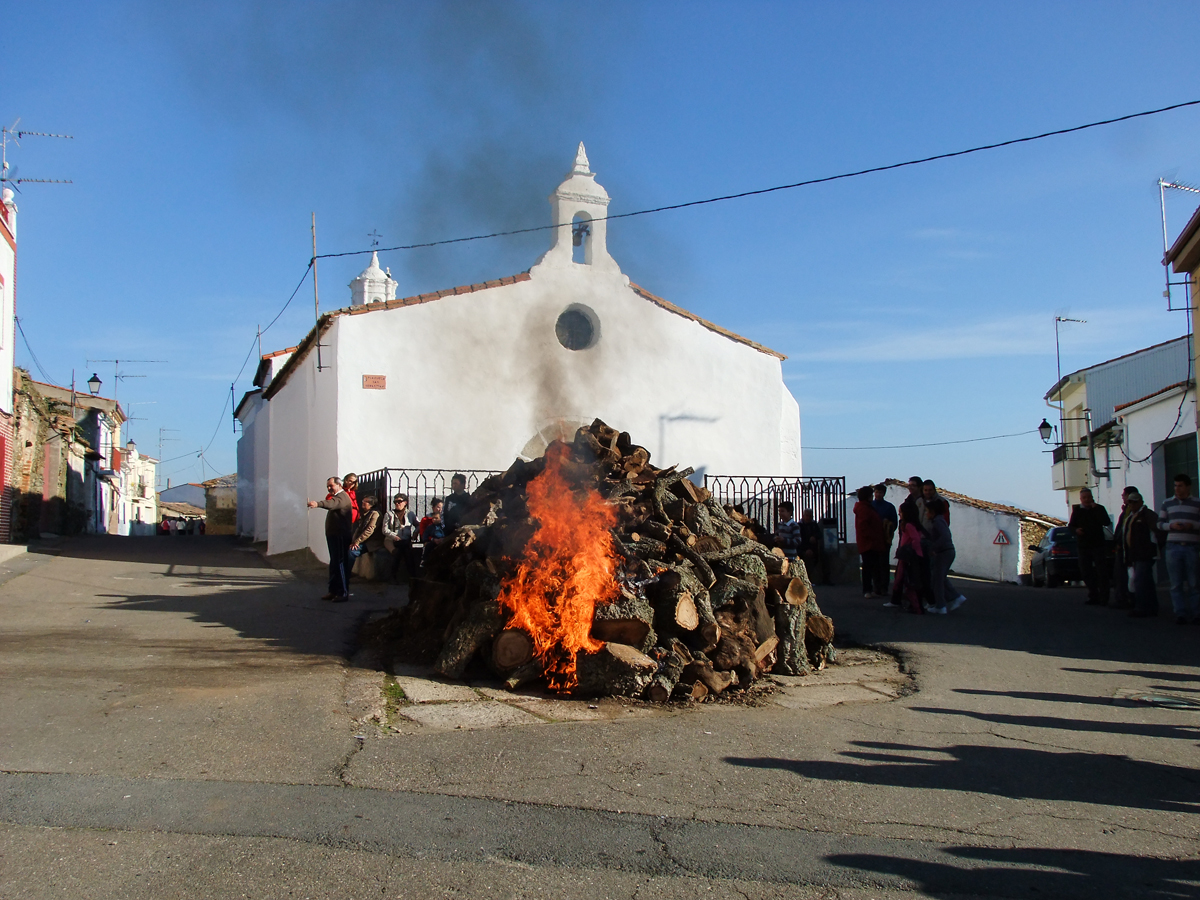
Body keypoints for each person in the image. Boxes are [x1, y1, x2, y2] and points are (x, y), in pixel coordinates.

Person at [1158, 473, 1200, 624]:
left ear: (1188, 487)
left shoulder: (1197, 503)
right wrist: (1171, 526)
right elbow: (1159, 523)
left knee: (1194, 582)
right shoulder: (1167, 503)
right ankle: (1180, 613)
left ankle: (1196, 613)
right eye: (1175, 486)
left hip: (1191, 546)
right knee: (1175, 583)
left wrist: (1192, 526)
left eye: (1180, 486)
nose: (1177, 489)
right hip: (1173, 546)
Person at [307, 476, 354, 602]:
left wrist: (317, 504)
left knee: (340, 563)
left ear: (339, 485)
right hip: (334, 535)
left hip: (340, 535)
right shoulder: (338, 497)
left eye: (331, 486)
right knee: (334, 563)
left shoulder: (342, 497)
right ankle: (333, 591)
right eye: (327, 486)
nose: (329, 488)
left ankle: (343, 592)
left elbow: (331, 504)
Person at [1069, 487, 1112, 605]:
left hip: (1098, 544)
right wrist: (1076, 530)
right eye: (1084, 498)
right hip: (1083, 545)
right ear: (1081, 499)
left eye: (1088, 497)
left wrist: (1096, 509)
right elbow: (1071, 526)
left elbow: (1106, 522)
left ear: (1092, 498)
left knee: (1101, 571)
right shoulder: (1077, 511)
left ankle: (1104, 597)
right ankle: (1093, 595)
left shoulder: (1099, 509)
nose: (1087, 500)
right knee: (1086, 571)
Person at [1123, 492, 1160, 618]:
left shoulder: (1148, 515)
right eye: (1130, 502)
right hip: (1135, 554)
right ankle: (1151, 607)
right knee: (1146, 581)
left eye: (1134, 502)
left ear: (1141, 502)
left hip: (1145, 553)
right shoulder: (1130, 517)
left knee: (1140, 580)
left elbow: (1158, 531)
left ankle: (1142, 607)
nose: (1132, 504)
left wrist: (1154, 548)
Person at [886, 502, 926, 613]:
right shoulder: (914, 525)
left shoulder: (908, 525)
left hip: (909, 557)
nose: (899, 513)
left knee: (906, 581)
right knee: (910, 581)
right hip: (911, 556)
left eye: (901, 512)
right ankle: (913, 605)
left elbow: (916, 540)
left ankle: (915, 606)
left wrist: (910, 552)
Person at [924, 498, 962, 614]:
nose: (926, 514)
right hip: (946, 551)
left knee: (937, 580)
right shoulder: (939, 521)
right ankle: (955, 597)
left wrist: (933, 547)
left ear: (933, 512)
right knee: (940, 578)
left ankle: (941, 605)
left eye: (927, 511)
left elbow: (945, 536)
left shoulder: (938, 522)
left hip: (944, 552)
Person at [853, 486, 887, 598]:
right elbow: (865, 526)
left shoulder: (865, 507)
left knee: (871, 566)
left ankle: (870, 589)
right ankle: (867, 589)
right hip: (870, 543)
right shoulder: (865, 508)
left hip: (869, 542)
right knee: (869, 567)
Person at [1110, 486, 1140, 609]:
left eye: (1124, 494)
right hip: (1123, 547)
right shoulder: (1126, 511)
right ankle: (1124, 598)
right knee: (1121, 575)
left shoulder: (1131, 512)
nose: (1122, 497)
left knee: (1124, 575)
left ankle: (1125, 599)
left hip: (1127, 549)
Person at [383, 493, 420, 580]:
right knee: (397, 552)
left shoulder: (410, 514)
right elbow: (384, 530)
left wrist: (415, 533)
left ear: (405, 502)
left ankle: (412, 576)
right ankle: (394, 576)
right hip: (392, 540)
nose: (397, 504)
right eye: (395, 502)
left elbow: (418, 525)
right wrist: (394, 535)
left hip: (405, 540)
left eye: (399, 501)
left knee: (407, 553)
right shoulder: (389, 514)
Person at [872, 484, 898, 594]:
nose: (878, 494)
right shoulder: (870, 505)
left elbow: (894, 523)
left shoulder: (889, 507)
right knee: (875, 564)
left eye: (880, 492)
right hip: (873, 539)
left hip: (884, 539)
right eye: (877, 492)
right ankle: (876, 586)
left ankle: (884, 587)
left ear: (884, 494)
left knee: (883, 564)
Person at [348, 494, 384, 569]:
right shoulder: (365, 514)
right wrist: (354, 541)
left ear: (372, 504)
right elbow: (359, 529)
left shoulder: (375, 514)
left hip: (371, 542)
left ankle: (346, 575)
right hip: (363, 541)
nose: (363, 503)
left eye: (366, 502)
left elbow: (369, 530)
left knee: (352, 552)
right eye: (363, 501)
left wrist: (357, 541)